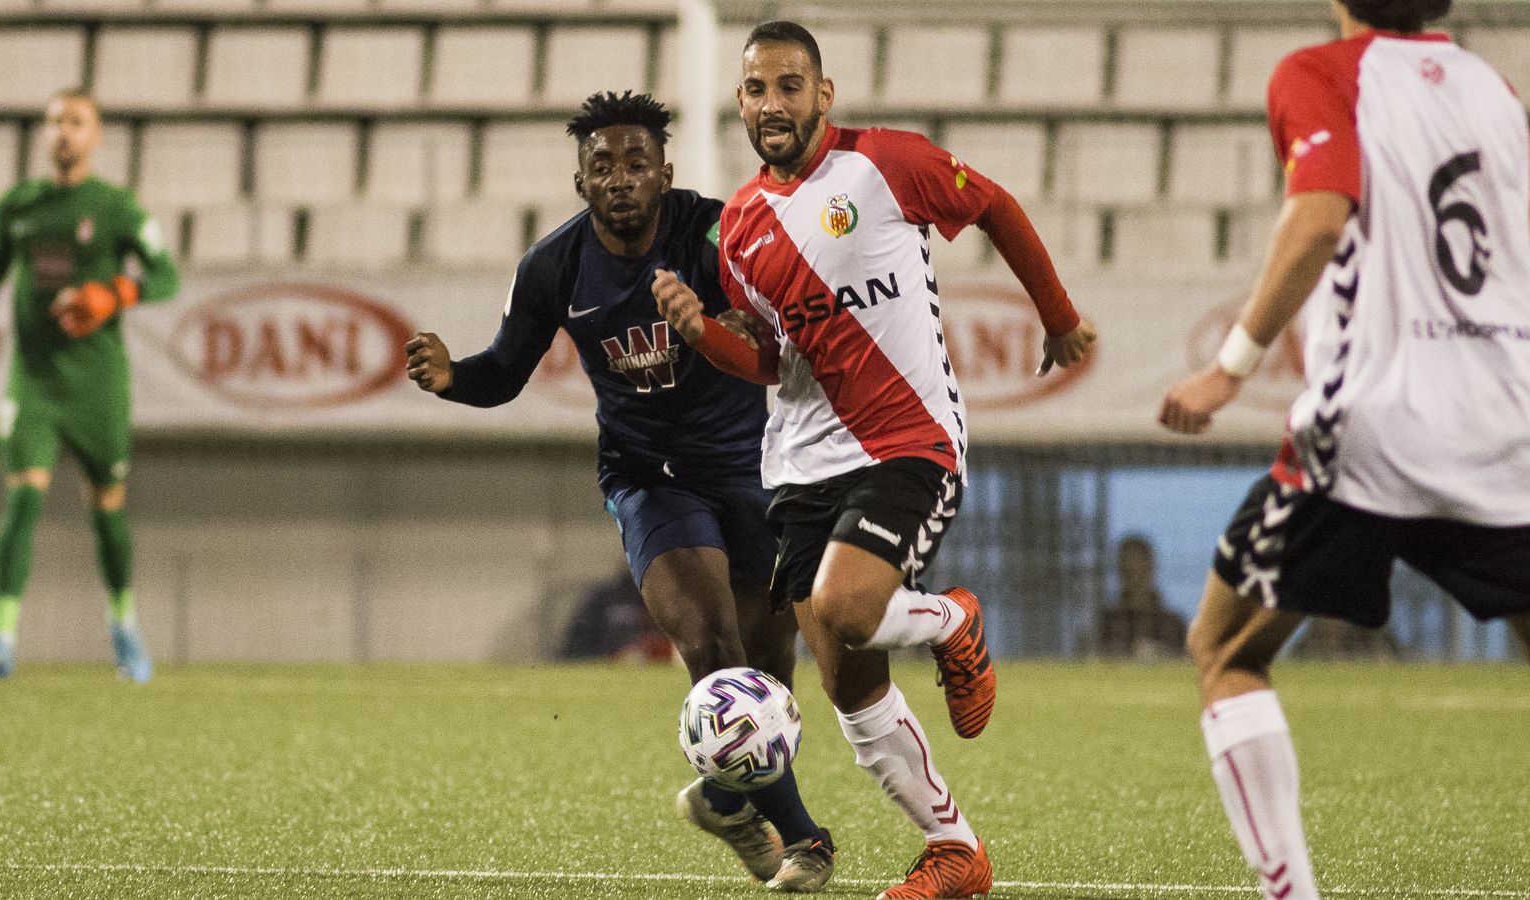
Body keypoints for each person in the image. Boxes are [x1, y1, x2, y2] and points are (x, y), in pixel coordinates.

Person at [653, 22, 1095, 900]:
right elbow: (771, 365)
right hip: (801, 465)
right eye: (755, 90)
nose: (771, 105)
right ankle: (954, 851)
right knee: (851, 684)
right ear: (739, 102)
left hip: (908, 441)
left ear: (824, 93)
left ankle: (953, 622)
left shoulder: (887, 164)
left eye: (788, 86)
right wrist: (703, 333)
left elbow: (997, 204)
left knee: (848, 607)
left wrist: (1055, 314)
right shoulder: (738, 228)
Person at [404, 91, 834, 892]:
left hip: (748, 469)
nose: (621, 177)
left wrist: (741, 329)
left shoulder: (717, 230)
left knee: (771, 686)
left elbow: (783, 323)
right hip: (648, 479)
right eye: (603, 165)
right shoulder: (554, 266)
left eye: (637, 162)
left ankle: (723, 799)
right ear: (581, 181)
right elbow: (503, 373)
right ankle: (808, 841)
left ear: (664, 172)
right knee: (711, 650)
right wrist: (452, 377)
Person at [1158, 2, 1530, 897]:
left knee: (1224, 649)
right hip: (1506, 425)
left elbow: (1320, 219)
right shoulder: (1496, 89)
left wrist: (1229, 369)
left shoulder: (1320, 73)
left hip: (1374, 430)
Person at [0, 88, 180, 683]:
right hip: (33, 382)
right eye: (55, 121)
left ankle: (124, 627)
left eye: (77, 122)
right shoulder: (18, 205)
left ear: (96, 136)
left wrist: (114, 293)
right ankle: (0, 640)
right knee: (22, 499)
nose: (64, 132)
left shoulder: (115, 208)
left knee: (108, 509)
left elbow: (166, 276)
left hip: (98, 386)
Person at [1092, 535, 1185, 660]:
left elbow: (1187, 661)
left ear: (1151, 568)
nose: (1135, 579)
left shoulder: (1172, 624)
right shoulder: (1106, 622)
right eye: (1128, 571)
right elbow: (1092, 658)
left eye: (1140, 570)